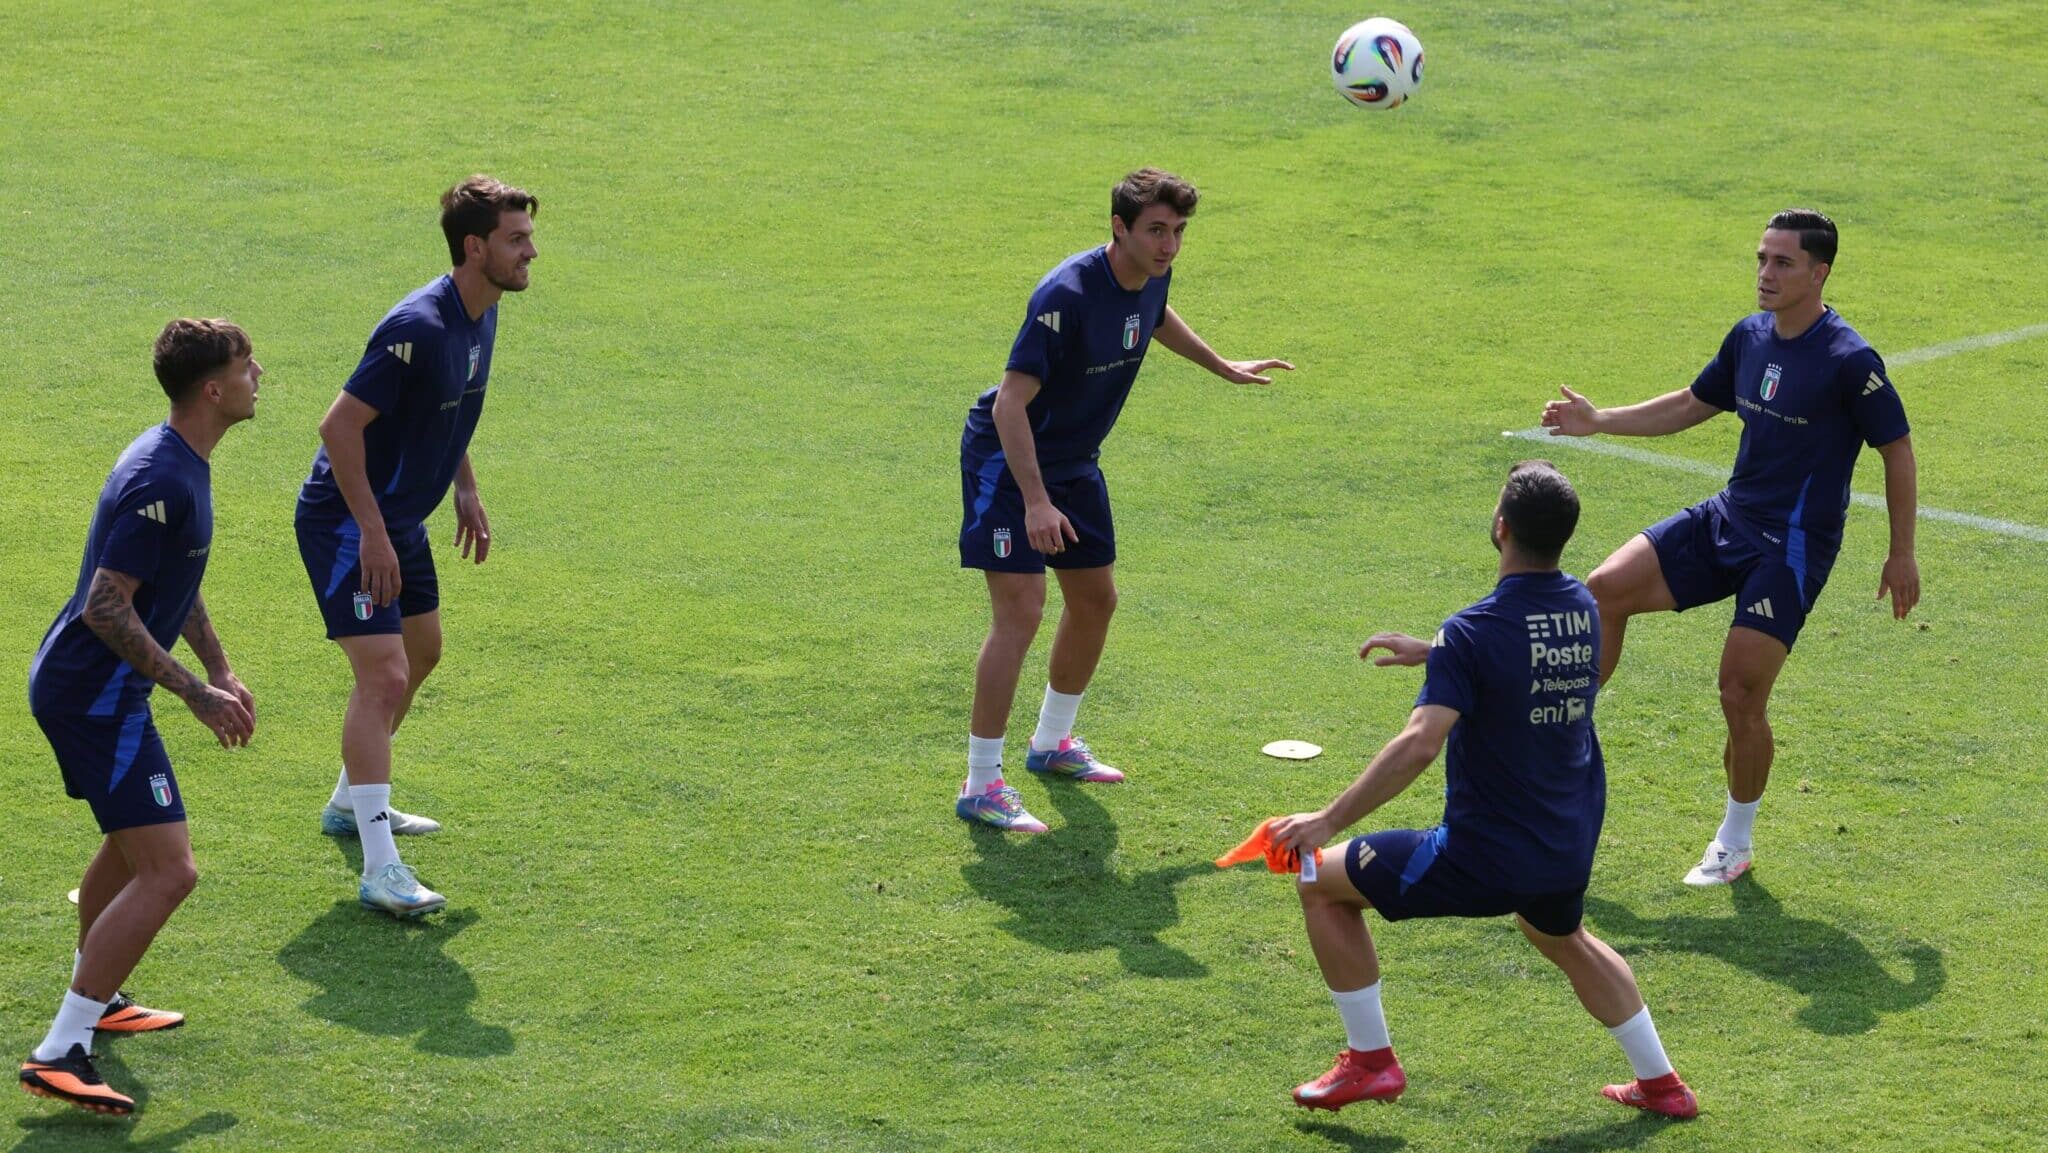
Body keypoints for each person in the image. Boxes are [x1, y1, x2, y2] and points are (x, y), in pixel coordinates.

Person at [1269, 462, 1697, 1119]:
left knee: (1318, 883)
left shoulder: (1473, 632)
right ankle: (1663, 1083)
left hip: (1486, 854)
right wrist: (1436, 651)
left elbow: (1419, 743)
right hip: (1567, 840)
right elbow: (1518, 655)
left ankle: (1370, 1061)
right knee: (1562, 934)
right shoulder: (1583, 606)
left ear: (1501, 528)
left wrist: (1327, 819)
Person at [1539, 208, 1919, 886]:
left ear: (1818, 272)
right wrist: (1600, 421)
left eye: (1783, 263)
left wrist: (1901, 552)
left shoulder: (1848, 360)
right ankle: (1560, 755)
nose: (1766, 274)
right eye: (1762, 259)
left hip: (1793, 546)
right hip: (1729, 517)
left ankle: (1734, 840)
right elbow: (1691, 403)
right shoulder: (1750, 337)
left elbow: (1897, 449)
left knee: (1740, 692)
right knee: (1604, 589)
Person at [955, 167, 1294, 831]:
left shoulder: (1152, 273)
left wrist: (1221, 364)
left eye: (1177, 232)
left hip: (1075, 461)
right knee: (1021, 610)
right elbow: (1011, 404)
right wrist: (1034, 502)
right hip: (1010, 456)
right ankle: (981, 781)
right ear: (1120, 228)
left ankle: (1052, 744)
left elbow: (1155, 314)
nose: (1169, 245)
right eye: (1156, 231)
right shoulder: (1066, 295)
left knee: (1096, 600)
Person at [20, 319, 261, 1116]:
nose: (260, 374)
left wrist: (221, 666)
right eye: (246, 365)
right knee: (171, 868)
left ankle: (104, 994)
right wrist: (195, 691)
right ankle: (62, 1046)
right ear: (212, 389)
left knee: (132, 852)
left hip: (98, 690)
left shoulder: (181, 462)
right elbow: (105, 605)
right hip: (94, 697)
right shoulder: (164, 479)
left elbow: (171, 582)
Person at [295, 175, 537, 916]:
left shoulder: (483, 313)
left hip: (399, 518)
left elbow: (450, 407)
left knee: (423, 649)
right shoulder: (418, 327)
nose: (531, 252)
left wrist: (464, 483)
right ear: (475, 247)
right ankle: (379, 866)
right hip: (347, 519)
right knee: (385, 676)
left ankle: (350, 801)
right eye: (516, 239)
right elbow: (338, 428)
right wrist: (370, 529)